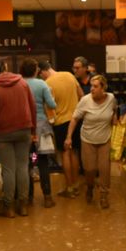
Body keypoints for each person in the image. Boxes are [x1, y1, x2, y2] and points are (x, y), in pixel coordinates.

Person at [0, 56, 36, 218]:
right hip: (24, 130)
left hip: (3, 133)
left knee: (8, 170)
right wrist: (33, 130)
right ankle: (23, 205)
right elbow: (32, 107)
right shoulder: (22, 83)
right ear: (6, 66)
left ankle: (8, 207)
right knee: (22, 167)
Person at [66, 74, 117, 209]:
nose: (91, 89)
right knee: (89, 169)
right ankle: (89, 186)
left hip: (105, 139)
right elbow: (75, 119)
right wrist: (69, 136)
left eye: (95, 86)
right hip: (88, 139)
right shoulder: (85, 100)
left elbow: (114, 110)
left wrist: (115, 122)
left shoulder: (111, 98)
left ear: (103, 88)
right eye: (91, 86)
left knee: (104, 169)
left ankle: (104, 195)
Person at [41, 60, 83, 198]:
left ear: (43, 71)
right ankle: (76, 185)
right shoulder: (69, 75)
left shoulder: (47, 84)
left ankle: (69, 187)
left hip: (60, 122)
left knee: (65, 153)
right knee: (75, 152)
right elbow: (81, 95)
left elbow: (49, 106)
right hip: (75, 120)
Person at [19, 58, 56, 208]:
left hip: (24, 128)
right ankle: (47, 197)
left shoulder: (19, 84)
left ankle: (28, 198)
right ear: (35, 71)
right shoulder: (42, 84)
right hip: (41, 127)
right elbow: (52, 104)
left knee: (27, 162)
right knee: (42, 162)